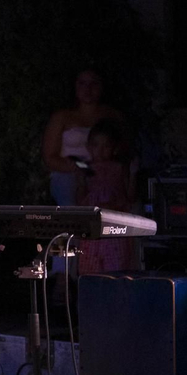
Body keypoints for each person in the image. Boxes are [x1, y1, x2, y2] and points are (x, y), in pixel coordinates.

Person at [43, 69, 124, 207]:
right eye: (82, 83)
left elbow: (123, 149)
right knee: (71, 201)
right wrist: (79, 169)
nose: (88, 89)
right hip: (69, 173)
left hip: (104, 171)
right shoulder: (62, 117)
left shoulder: (113, 116)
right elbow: (49, 157)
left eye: (93, 83)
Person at [76, 118, 139, 274]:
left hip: (114, 228)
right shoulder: (86, 170)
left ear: (114, 149)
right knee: (90, 272)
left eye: (106, 146)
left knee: (116, 273)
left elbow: (129, 197)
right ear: (89, 147)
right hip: (92, 229)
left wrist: (133, 174)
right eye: (96, 145)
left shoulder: (119, 168)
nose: (101, 150)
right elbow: (80, 199)